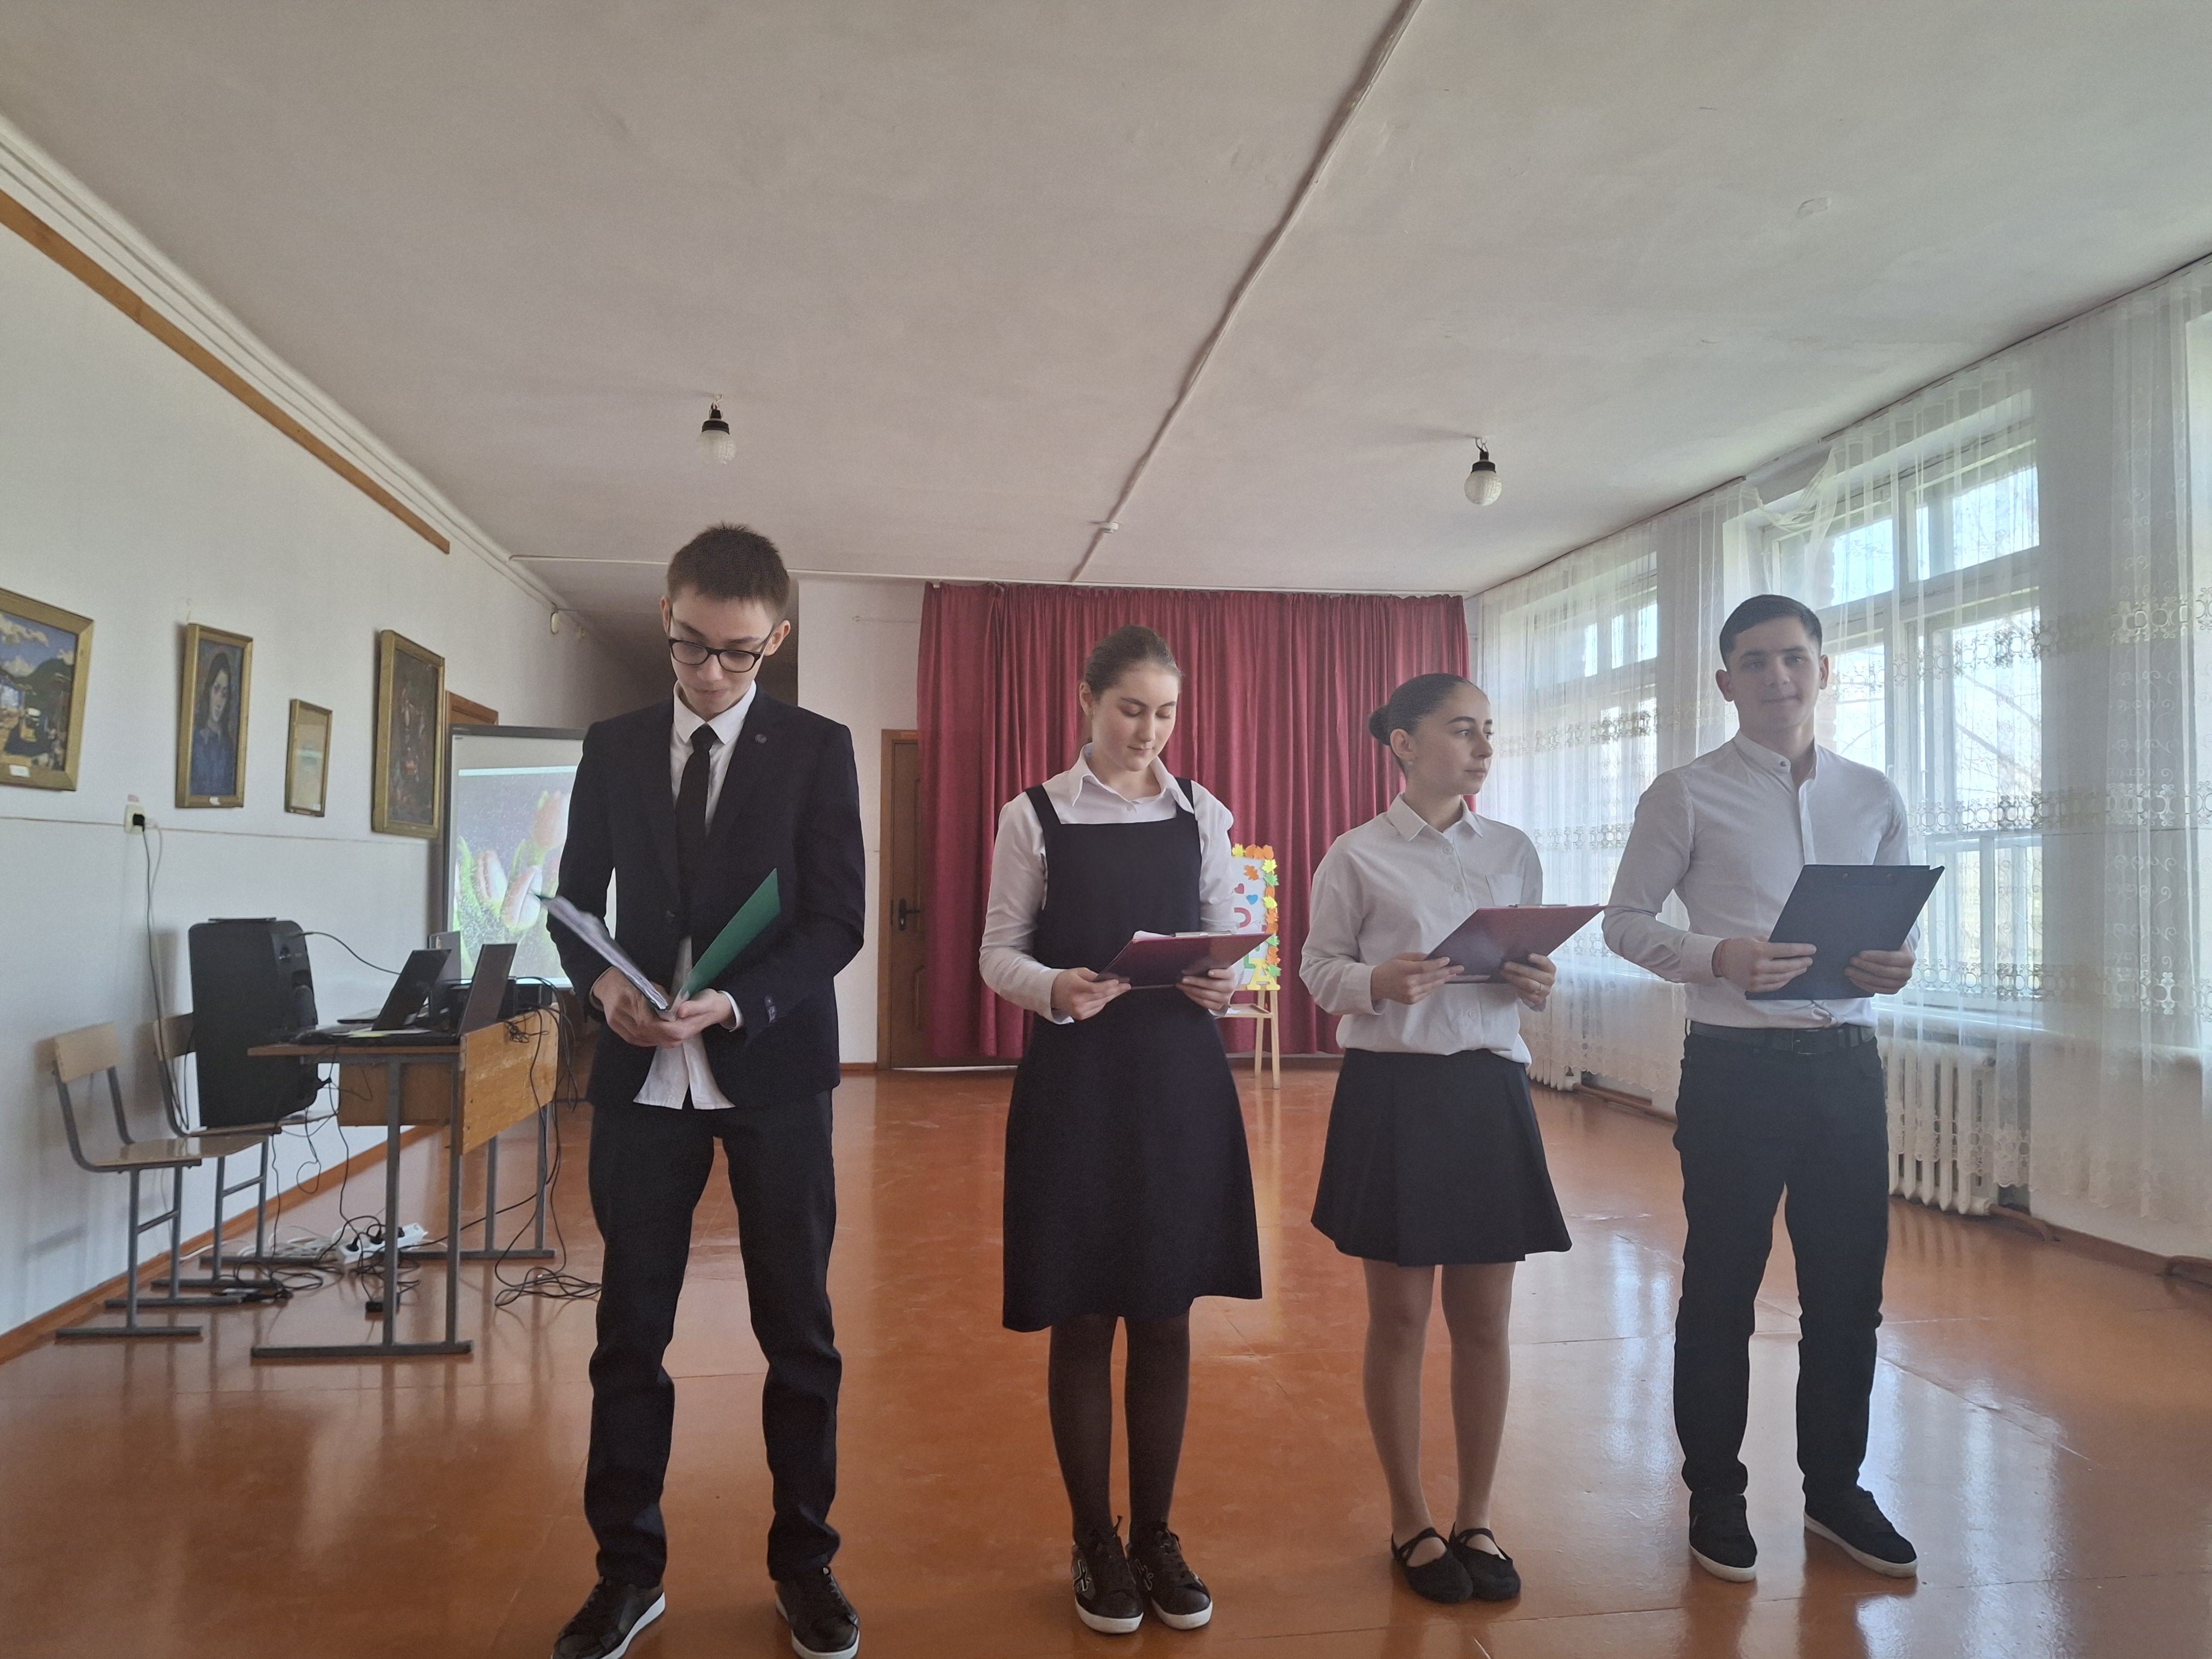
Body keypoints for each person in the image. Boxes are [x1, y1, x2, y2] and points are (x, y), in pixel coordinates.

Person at [546, 525, 866, 1659]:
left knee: (799, 1331)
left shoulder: (817, 750)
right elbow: (572, 902)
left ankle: (805, 1563)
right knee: (629, 1332)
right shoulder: (616, 745)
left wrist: (736, 1003)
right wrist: (602, 986)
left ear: (776, 639)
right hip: (642, 1078)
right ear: (666, 621)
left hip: (771, 1069)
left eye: (739, 651)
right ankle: (627, 1574)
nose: (713, 671)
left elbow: (837, 921)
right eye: (692, 646)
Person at [1604, 593, 1919, 1585]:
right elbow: (1624, 921)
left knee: (1848, 1293)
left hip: (1846, 1066)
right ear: (1726, 681)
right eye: (1755, 662)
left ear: (1825, 670)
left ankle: (1836, 1491)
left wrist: (1896, 967)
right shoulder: (1686, 793)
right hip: (1735, 1070)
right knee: (1720, 1288)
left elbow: (1897, 932)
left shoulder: (1873, 794)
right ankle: (1715, 1493)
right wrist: (1718, 956)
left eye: (1793, 658)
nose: (1777, 678)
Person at [979, 624, 1262, 1637]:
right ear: (1087, 702)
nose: (1149, 731)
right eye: (1131, 709)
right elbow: (997, 951)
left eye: (1166, 712)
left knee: (1167, 1309)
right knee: (1086, 1311)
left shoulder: (1204, 813)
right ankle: (1093, 1538)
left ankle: (1156, 1535)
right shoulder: (1035, 815)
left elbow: (1228, 945)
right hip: (1078, 1084)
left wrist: (1222, 980)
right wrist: (1053, 988)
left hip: (1180, 1083)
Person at [1301, 673, 1570, 1605]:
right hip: (1396, 1094)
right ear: (1405, 745)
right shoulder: (1357, 855)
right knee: (1403, 1318)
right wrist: (1378, 982)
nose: (1482, 747)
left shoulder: (1513, 850)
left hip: (1489, 1090)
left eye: (1488, 730)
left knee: (1485, 1320)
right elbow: (1318, 969)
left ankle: (1478, 1517)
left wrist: (1538, 982)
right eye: (1462, 730)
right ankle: (1411, 1518)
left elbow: (1530, 971)